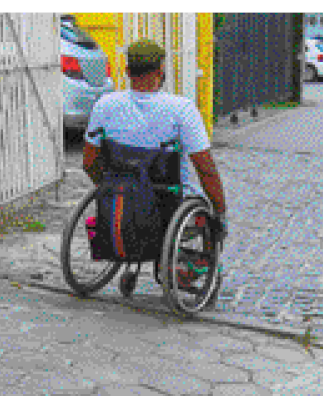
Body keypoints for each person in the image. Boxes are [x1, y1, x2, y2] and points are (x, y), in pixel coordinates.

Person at [82, 39, 228, 284]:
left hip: (120, 196)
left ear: (127, 72)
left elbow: (89, 162)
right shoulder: (181, 109)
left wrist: (108, 187)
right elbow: (205, 169)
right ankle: (193, 268)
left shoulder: (105, 105)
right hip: (168, 202)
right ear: (161, 71)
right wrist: (220, 211)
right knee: (208, 210)